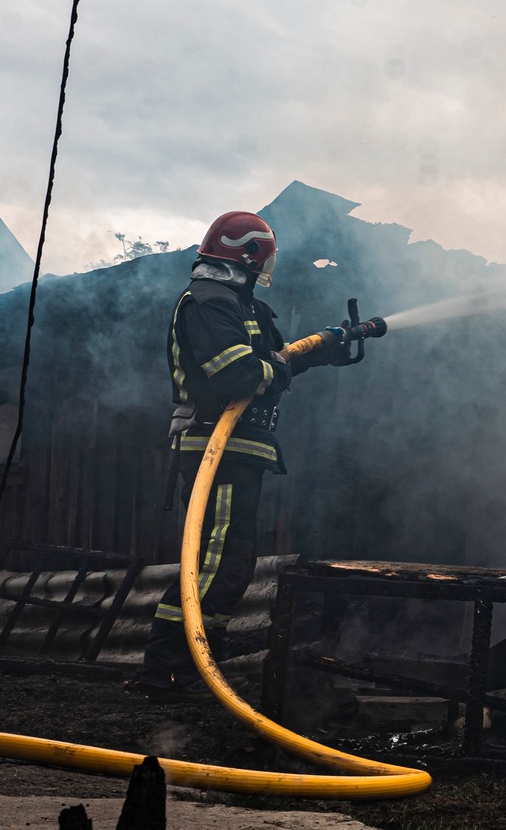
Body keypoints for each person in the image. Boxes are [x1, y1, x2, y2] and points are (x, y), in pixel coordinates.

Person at [129, 212, 344, 696]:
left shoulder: (243, 307)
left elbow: (276, 364)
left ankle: (202, 663)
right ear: (248, 256)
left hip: (240, 452)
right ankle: (171, 670)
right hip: (215, 451)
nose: (266, 269)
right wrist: (277, 366)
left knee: (231, 563)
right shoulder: (207, 305)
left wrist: (327, 348)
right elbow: (242, 377)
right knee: (214, 565)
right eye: (263, 260)